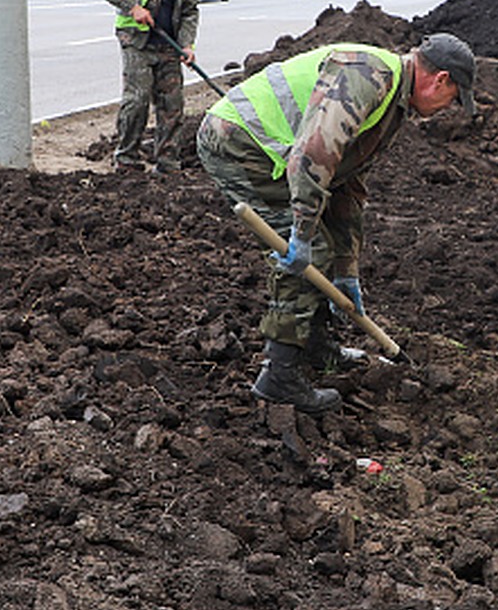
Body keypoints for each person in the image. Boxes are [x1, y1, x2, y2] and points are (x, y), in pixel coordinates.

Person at [197, 34, 477, 415]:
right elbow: (313, 155)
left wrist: (347, 271)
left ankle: (314, 347)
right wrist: (300, 231)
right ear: (440, 79)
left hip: (267, 147)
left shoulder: (393, 97)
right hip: (239, 142)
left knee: (324, 250)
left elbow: (347, 184)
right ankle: (278, 376)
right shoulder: (367, 77)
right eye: (454, 98)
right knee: (309, 252)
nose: (449, 107)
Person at [98, 0, 200, 173]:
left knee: (172, 104)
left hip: (169, 44)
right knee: (138, 98)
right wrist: (133, 7)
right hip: (137, 41)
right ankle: (127, 159)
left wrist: (186, 44)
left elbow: (189, 10)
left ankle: (168, 163)